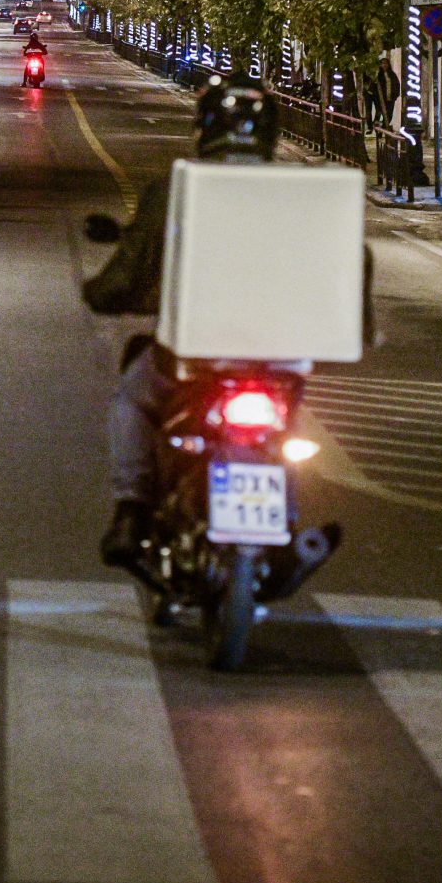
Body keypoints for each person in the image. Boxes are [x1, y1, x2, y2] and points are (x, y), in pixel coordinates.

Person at [83, 77, 281, 565]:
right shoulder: (306, 194)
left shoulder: (176, 189)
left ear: (206, 127)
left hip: (195, 356)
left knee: (133, 398)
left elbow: (130, 271)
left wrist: (103, 293)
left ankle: (131, 510)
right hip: (277, 361)